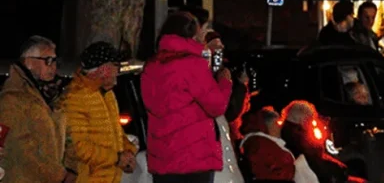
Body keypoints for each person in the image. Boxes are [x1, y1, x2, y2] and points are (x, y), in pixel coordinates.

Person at [142, 12, 234, 183]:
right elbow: (216, 105)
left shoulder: (152, 66)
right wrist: (225, 82)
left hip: (162, 156)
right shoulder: (192, 64)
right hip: (193, 155)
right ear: (192, 34)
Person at [59, 42, 137, 183]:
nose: (118, 71)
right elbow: (78, 147)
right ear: (104, 69)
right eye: (116, 66)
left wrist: (129, 151)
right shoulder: (75, 97)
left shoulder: (108, 95)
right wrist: (117, 158)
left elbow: (117, 134)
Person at [0, 36, 73, 183]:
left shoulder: (48, 97)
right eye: (48, 60)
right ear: (29, 62)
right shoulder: (13, 100)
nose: (53, 67)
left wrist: (71, 168)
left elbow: (65, 138)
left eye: (54, 61)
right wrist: (59, 176)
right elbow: (20, 149)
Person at [279, 103, 344, 183]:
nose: (313, 122)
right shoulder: (298, 137)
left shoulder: (290, 133)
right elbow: (315, 159)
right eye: (310, 119)